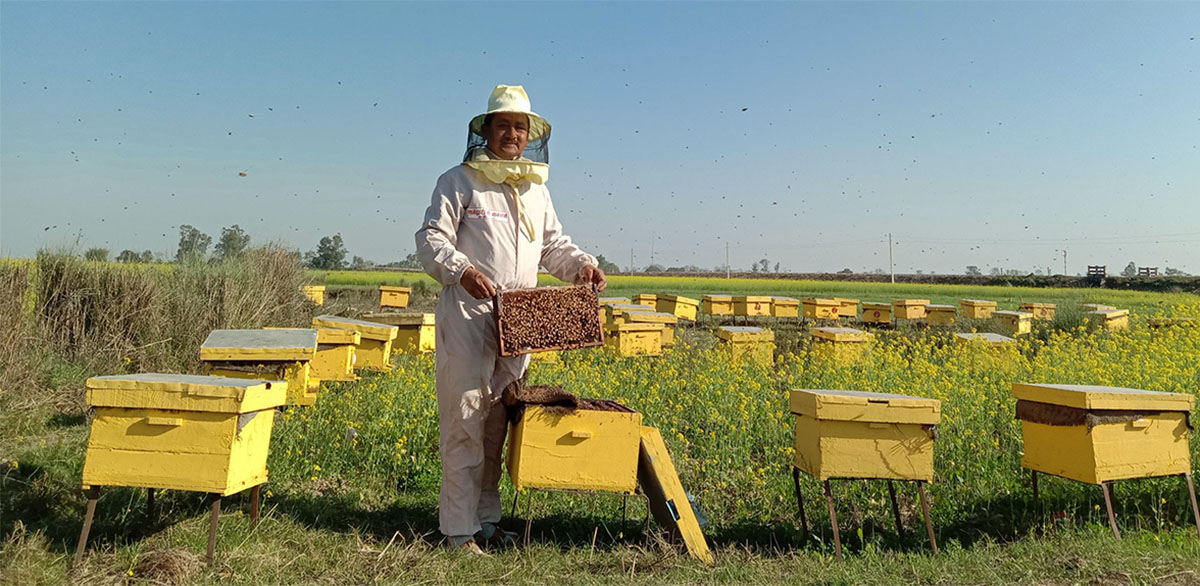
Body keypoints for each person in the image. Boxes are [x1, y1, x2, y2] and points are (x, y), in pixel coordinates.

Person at [416, 85, 606, 554]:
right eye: (503, 125)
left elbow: (553, 246)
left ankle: (485, 521)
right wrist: (462, 271)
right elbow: (431, 239)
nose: (512, 134)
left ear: (530, 135)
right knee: (465, 417)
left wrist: (582, 266)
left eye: (520, 127)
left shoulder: (535, 190)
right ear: (486, 131)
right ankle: (458, 530)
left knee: (498, 420)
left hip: (518, 319)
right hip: (468, 313)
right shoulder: (459, 181)